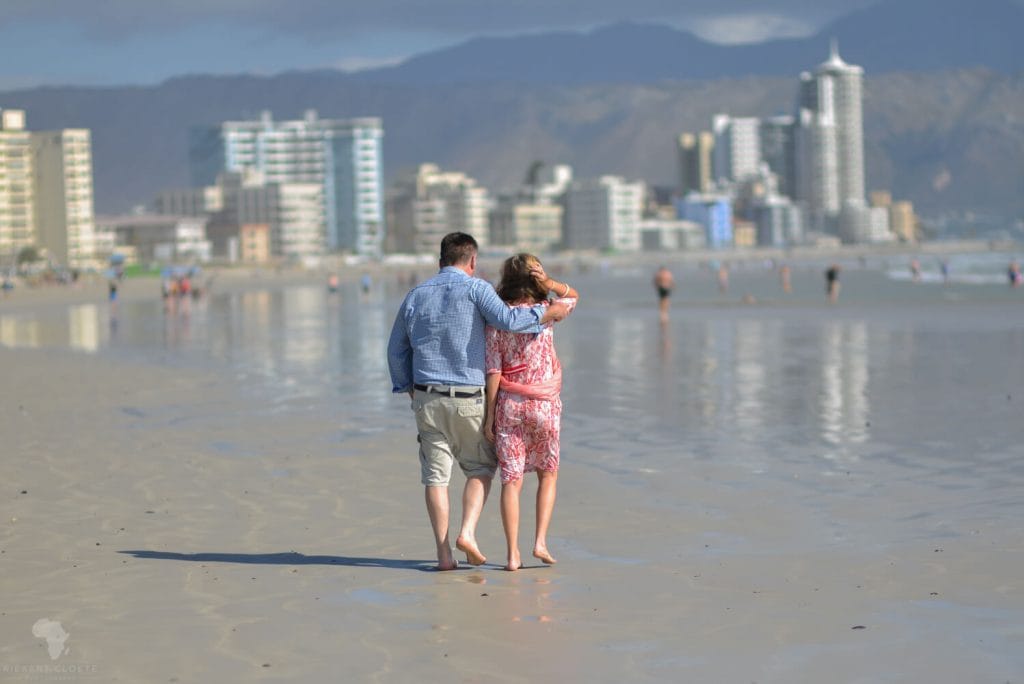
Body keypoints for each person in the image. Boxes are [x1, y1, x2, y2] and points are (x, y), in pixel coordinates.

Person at [387, 233, 569, 571]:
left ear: (440, 260)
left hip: (427, 398)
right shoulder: (477, 288)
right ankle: (467, 532)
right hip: (468, 397)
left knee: (435, 478)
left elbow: (396, 349)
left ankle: (444, 556)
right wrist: (549, 314)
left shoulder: (416, 294)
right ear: (472, 261)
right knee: (481, 468)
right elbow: (510, 320)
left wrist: (409, 389)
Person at [483, 254, 578, 571]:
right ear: (535, 279)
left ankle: (512, 555)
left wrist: (488, 417)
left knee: (511, 481)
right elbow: (573, 296)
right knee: (547, 473)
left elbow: (494, 370)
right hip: (544, 405)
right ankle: (540, 541)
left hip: (510, 405)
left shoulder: (498, 318)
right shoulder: (550, 310)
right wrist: (548, 281)